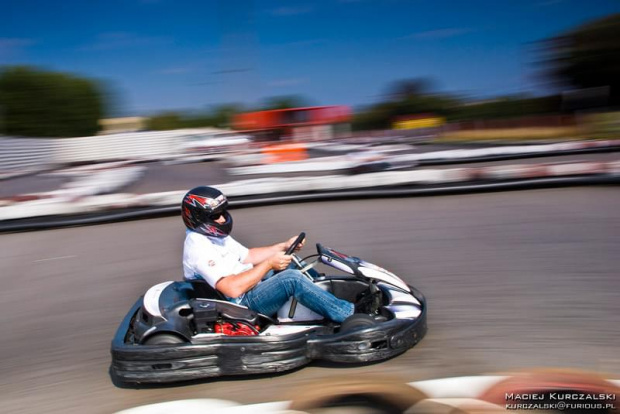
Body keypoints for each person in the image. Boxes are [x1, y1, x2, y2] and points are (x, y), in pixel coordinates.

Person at [181, 186, 355, 323]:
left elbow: (248, 255)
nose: (222, 219)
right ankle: (349, 316)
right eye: (216, 216)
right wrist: (269, 265)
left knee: (291, 261)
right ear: (198, 218)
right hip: (240, 305)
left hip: (247, 287)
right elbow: (232, 289)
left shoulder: (214, 237)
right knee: (291, 279)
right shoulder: (198, 247)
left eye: (223, 213)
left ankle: (328, 300)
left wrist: (283, 246)